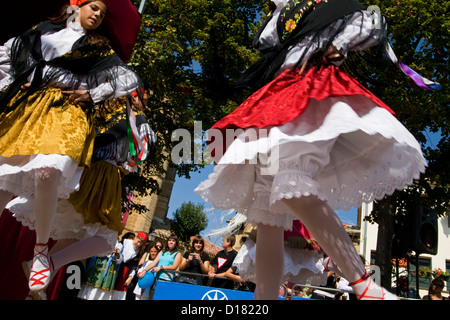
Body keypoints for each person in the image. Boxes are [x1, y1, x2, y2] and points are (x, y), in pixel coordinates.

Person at [195, 0, 437, 300]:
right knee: (268, 214)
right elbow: (273, 45)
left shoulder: (328, 5)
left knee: (292, 186)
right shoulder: (282, 16)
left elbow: (367, 27)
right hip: (278, 99)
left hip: (315, 92)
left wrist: (335, 46)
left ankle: (365, 287)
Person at [0, 0, 143, 296]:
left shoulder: (98, 48)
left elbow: (129, 79)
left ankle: (42, 252)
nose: (97, 15)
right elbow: (6, 56)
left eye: (103, 13)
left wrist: (92, 93)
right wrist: (17, 82)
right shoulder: (43, 33)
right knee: (2, 182)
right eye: (94, 7)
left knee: (48, 171)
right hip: (26, 111)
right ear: (77, 5)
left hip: (66, 115)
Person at [77, 232, 146, 300]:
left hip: (115, 271)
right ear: (135, 237)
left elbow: (127, 263)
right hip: (102, 266)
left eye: (141, 243)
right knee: (92, 289)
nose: (138, 244)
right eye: (138, 241)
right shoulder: (124, 243)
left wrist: (130, 276)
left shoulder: (132, 250)